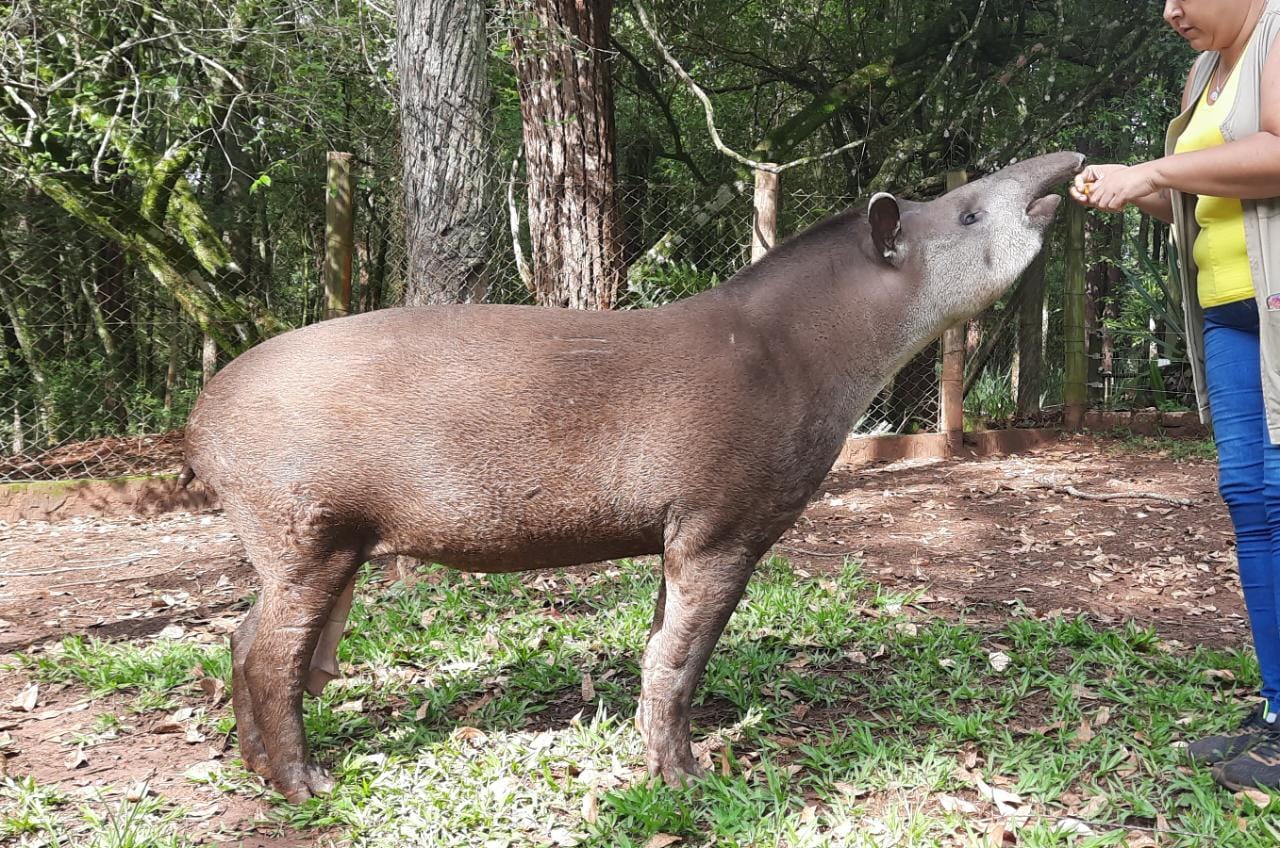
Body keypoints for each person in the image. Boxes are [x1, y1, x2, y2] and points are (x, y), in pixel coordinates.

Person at [1071, 0, 1280, 790]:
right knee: (1249, 498)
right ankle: (1274, 714)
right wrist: (1130, 187)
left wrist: (1155, 168)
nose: (1170, 10)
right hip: (1229, 315)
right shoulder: (1203, 72)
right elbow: (1202, 197)